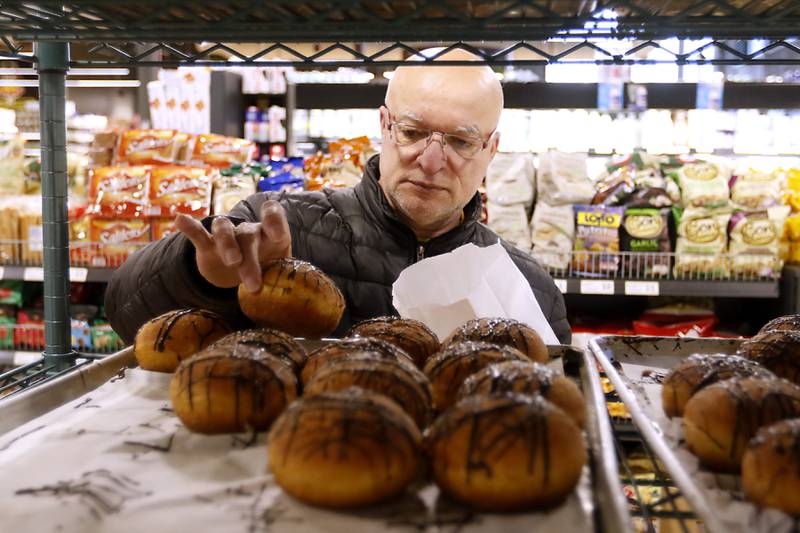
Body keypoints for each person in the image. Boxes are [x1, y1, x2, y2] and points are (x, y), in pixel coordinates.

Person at [105, 51, 570, 344]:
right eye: (412, 132)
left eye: (462, 141)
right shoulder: (275, 225)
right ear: (385, 125)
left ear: (491, 149)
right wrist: (199, 277)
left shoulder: (529, 287)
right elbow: (124, 316)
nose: (431, 161)